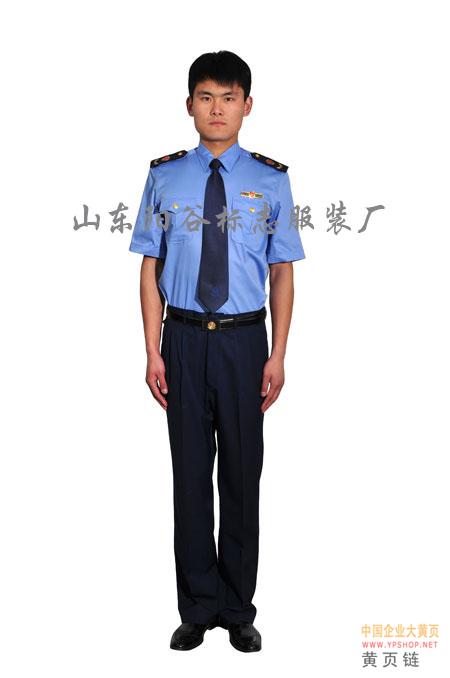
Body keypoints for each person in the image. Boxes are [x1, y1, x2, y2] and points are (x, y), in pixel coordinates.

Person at [128, 50, 306, 653]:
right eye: (206, 97)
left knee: (240, 476)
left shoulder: (271, 180)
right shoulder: (165, 177)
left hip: (243, 342)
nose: (217, 109)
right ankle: (197, 607)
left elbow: (282, 270)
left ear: (247, 105)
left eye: (229, 98)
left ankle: (237, 608)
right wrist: (152, 350)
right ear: (189, 105)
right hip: (181, 339)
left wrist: (277, 354)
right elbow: (150, 266)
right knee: (189, 476)